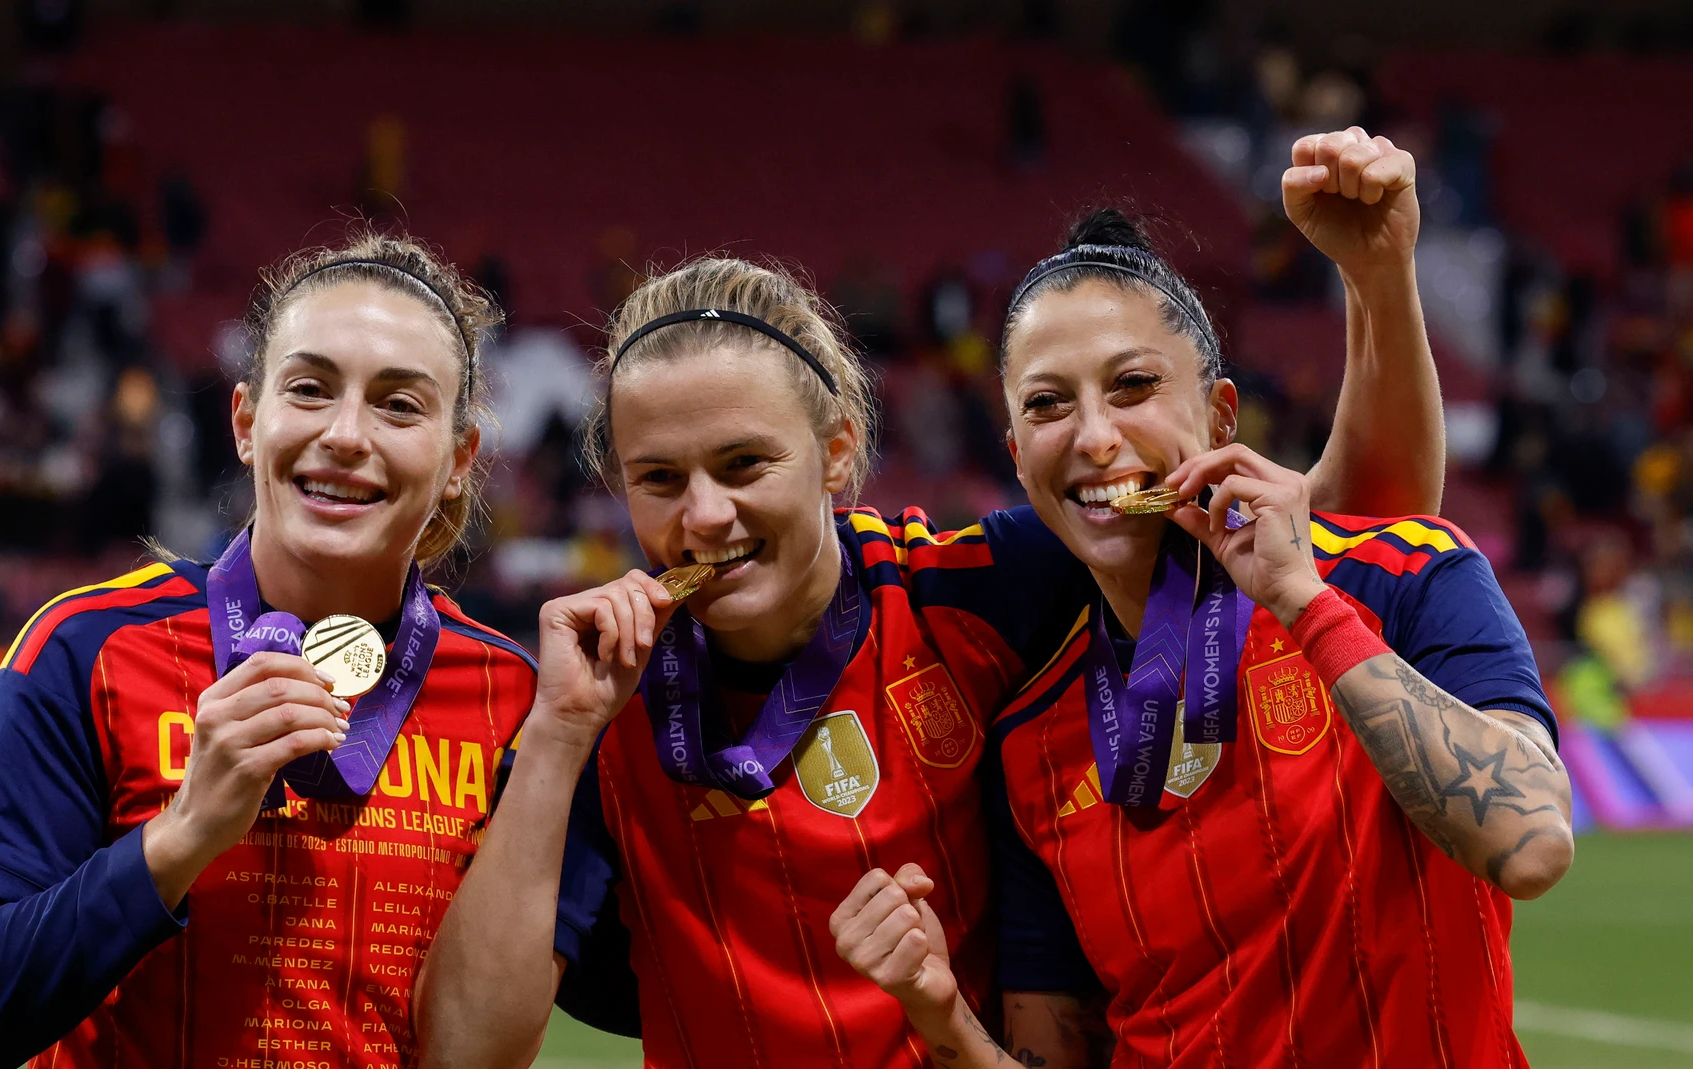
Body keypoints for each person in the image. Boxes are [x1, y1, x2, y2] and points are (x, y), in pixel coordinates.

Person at [416, 127, 1449, 1069]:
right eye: (659, 479)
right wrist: (555, 736)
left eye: (743, 464)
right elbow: (465, 1054)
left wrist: (1378, 279)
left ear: (834, 453)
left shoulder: (972, 589)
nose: (706, 515)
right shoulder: (601, 692)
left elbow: (1355, 534)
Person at [830, 130, 1573, 1067]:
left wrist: (1301, 598)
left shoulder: (1407, 576)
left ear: (1221, 415)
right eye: (1049, 405)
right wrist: (940, 1019)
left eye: (1134, 386)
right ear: (1017, 459)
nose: (1095, 436)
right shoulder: (1030, 747)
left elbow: (1533, 844)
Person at [0, 233, 535, 1069]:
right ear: (245, 421)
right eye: (308, 389)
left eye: (399, 405)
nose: (345, 433)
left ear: (458, 459)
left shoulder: (510, 699)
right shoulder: (90, 650)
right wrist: (184, 833)